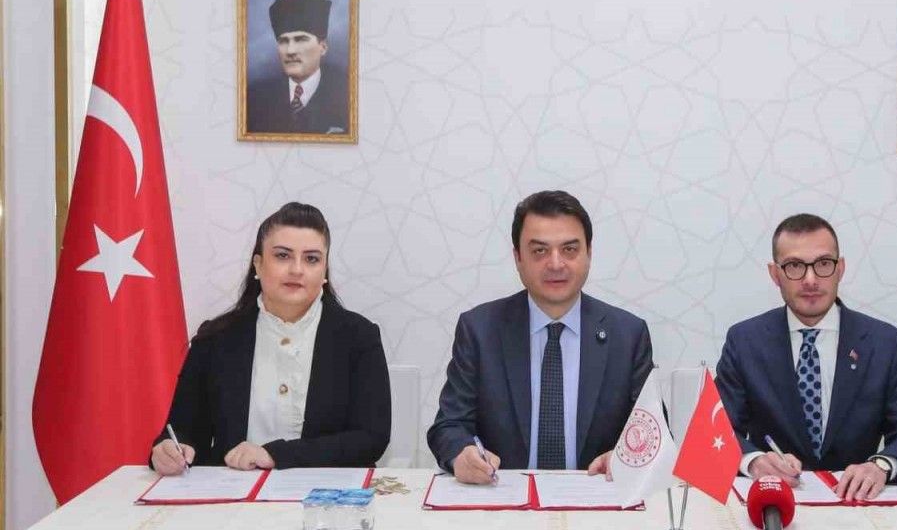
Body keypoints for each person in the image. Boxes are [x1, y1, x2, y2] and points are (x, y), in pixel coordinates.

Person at [427, 190, 653, 484]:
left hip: (596, 498)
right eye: (540, 251)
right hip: (503, 497)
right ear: (518, 258)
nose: (556, 264)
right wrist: (462, 453)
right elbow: (449, 425)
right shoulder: (480, 330)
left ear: (589, 253)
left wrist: (626, 457)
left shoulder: (628, 335)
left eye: (569, 249)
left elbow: (654, 433)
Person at [150, 202, 390, 475]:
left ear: (324, 271)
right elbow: (184, 432)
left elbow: (371, 439)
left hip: (326, 493)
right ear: (259, 264)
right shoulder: (214, 340)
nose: (297, 269)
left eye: (311, 259)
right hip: (233, 493)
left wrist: (275, 455)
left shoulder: (359, 337)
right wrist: (168, 450)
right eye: (282, 256)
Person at [715, 213, 897, 502]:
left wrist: (880, 466)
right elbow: (716, 431)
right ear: (775, 274)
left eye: (823, 264)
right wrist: (754, 461)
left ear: (840, 268)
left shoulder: (887, 344)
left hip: (858, 503)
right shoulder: (745, 341)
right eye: (794, 266)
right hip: (776, 502)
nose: (810, 280)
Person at [245, 0, 350, 135]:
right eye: (283, 41)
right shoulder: (255, 99)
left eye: (300, 39)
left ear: (323, 47)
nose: (290, 50)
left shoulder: (347, 92)